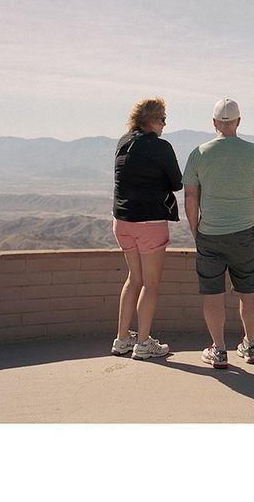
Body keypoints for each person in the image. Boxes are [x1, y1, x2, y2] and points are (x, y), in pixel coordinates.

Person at [183, 98, 254, 368]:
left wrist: (194, 228)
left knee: (213, 293)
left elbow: (190, 196)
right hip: (246, 233)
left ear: (214, 123)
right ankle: (251, 344)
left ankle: (219, 350)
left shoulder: (199, 153)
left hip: (209, 234)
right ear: (239, 122)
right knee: (249, 291)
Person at [111, 97, 182, 359]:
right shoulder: (161, 147)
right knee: (151, 285)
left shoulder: (123, 142)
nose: (164, 124)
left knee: (133, 279)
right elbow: (177, 182)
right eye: (162, 119)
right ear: (151, 119)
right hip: (150, 222)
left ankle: (121, 340)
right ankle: (143, 344)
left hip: (122, 221)